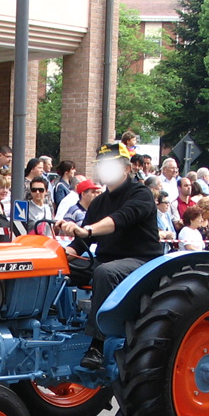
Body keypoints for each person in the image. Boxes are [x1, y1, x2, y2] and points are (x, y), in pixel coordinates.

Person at [60, 141, 162, 370]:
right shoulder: (99, 202)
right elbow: (80, 243)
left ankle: (97, 345)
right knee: (57, 270)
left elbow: (120, 219)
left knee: (104, 272)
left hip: (141, 262)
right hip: (105, 260)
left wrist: (87, 230)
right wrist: (57, 255)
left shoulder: (141, 194)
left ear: (126, 168)